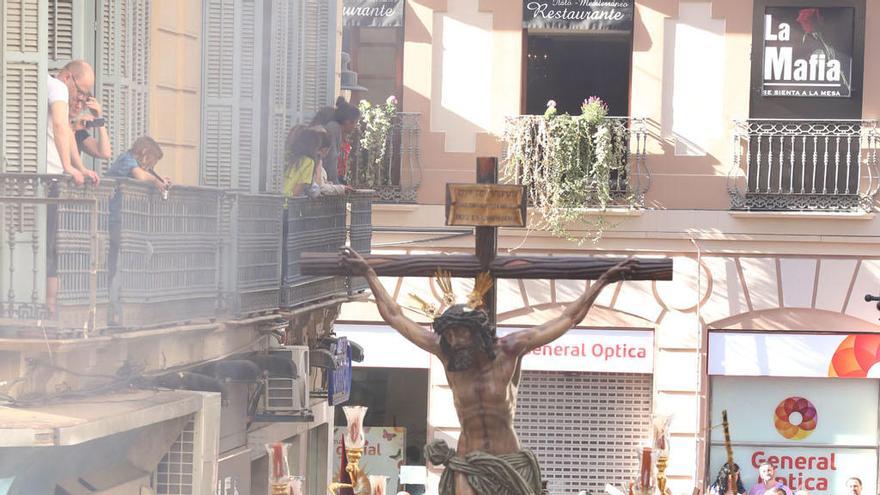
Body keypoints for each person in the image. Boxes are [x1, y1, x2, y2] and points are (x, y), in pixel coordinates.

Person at [338, 248, 636, 495]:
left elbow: (569, 317)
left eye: (459, 334)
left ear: (477, 333)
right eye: (449, 335)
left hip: (510, 463)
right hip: (469, 463)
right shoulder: (446, 355)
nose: (453, 341)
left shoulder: (510, 349)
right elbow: (394, 316)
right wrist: (369, 274)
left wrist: (603, 281)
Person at [45, 60, 101, 316]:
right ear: (68, 77)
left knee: (52, 248)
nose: (81, 98)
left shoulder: (55, 88)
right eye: (81, 92)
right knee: (49, 249)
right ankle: (47, 310)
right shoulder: (56, 86)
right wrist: (68, 166)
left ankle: (50, 309)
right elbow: (59, 125)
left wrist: (81, 167)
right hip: (48, 179)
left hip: (53, 180)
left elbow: (67, 131)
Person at [104, 137, 167, 325]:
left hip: (121, 222)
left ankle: (115, 308)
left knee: (116, 267)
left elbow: (143, 175)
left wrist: (159, 179)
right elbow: (139, 175)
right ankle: (115, 308)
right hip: (114, 220)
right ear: (145, 154)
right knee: (137, 254)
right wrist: (157, 180)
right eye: (152, 160)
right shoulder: (127, 160)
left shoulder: (134, 163)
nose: (151, 166)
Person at [322, 97, 360, 184]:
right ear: (347, 121)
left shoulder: (336, 129)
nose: (355, 126)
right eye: (355, 122)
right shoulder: (333, 129)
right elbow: (331, 159)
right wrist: (337, 185)